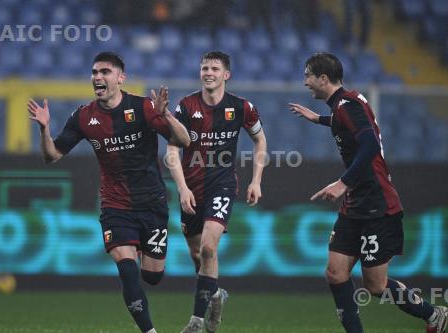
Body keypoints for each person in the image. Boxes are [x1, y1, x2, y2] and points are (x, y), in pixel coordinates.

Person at [27, 51, 190, 333]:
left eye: (104, 72)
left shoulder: (143, 107)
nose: (98, 77)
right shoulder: (83, 116)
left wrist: (165, 115)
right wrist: (44, 130)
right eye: (94, 73)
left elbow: (184, 140)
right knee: (128, 270)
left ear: (120, 77)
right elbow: (51, 155)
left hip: (152, 203)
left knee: (152, 276)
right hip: (116, 206)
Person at [289, 52, 447, 333]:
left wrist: (342, 182)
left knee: (375, 286)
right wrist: (318, 120)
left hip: (377, 204)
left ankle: (433, 313)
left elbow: (370, 144)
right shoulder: (346, 103)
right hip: (355, 204)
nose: (305, 83)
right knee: (335, 273)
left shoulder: (347, 106)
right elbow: (351, 125)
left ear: (323, 78)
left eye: (308, 76)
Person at [166, 51, 267, 333]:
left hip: (222, 185)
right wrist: (182, 187)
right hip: (191, 188)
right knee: (198, 255)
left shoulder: (242, 107)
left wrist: (256, 180)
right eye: (204, 68)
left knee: (210, 248)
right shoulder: (185, 107)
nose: (208, 72)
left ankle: (196, 321)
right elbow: (172, 149)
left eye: (214, 68)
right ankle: (216, 295)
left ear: (226, 75)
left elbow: (260, 140)